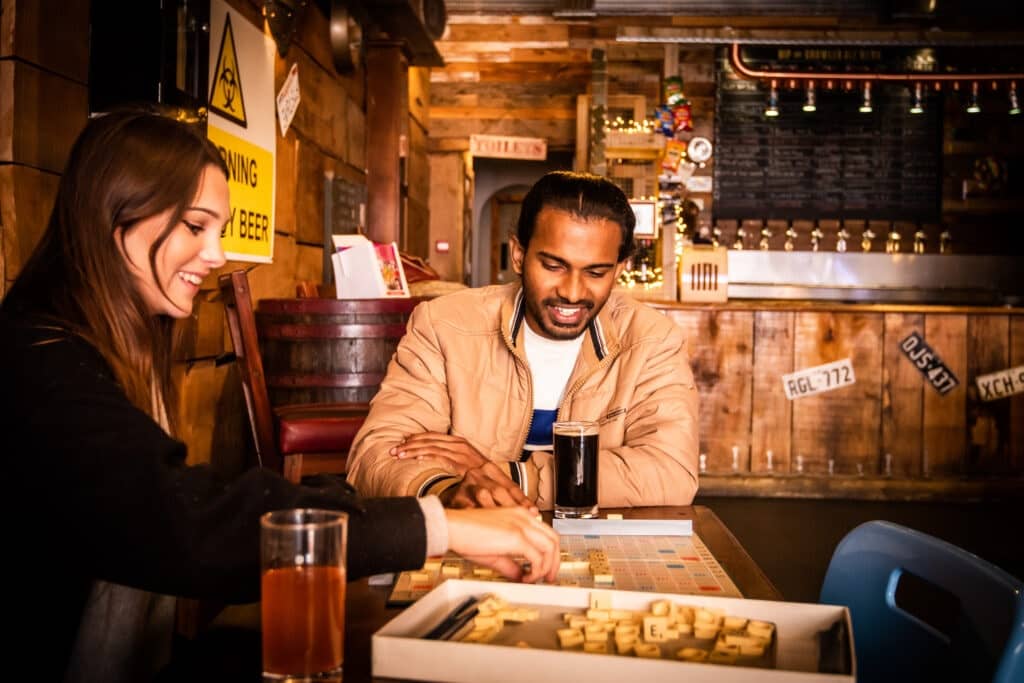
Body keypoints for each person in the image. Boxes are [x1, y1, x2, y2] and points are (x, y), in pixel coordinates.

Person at [0, 108, 559, 683]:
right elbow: (192, 527)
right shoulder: (37, 359)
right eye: (196, 227)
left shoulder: (110, 345)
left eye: (218, 231)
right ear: (114, 214)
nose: (216, 255)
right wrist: (438, 526)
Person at [345, 171, 700, 510]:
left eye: (595, 272)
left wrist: (504, 476)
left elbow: (670, 471)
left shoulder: (652, 340)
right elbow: (375, 455)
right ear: (519, 255)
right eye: (553, 266)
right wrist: (452, 491)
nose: (572, 292)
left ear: (619, 269)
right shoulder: (444, 325)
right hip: (476, 535)